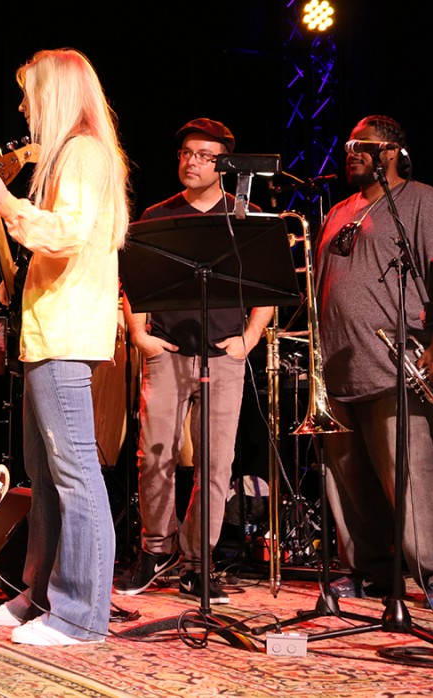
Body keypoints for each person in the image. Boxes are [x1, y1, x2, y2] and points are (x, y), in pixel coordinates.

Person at [0, 48, 129, 645]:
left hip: (63, 332)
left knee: (75, 473)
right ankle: (40, 595)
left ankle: (80, 614)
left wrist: (7, 205)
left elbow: (66, 234)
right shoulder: (75, 154)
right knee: (46, 471)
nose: (21, 105)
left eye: (29, 93)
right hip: (48, 329)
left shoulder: (83, 152)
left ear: (55, 94)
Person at [114, 118, 273, 604]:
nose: (192, 162)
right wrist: (140, 333)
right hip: (168, 350)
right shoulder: (159, 214)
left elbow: (267, 284)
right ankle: (155, 550)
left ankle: (198, 561)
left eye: (204, 155)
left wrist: (248, 338)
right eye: (186, 152)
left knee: (216, 463)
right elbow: (134, 278)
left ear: (224, 162)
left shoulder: (244, 214)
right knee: (154, 454)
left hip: (224, 355)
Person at [315, 114, 433, 608]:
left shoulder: (421, 201)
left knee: (408, 479)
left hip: (394, 366)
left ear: (393, 151)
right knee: (350, 485)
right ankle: (371, 572)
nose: (352, 151)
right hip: (338, 370)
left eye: (363, 144)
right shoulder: (338, 209)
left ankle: (428, 573)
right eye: (348, 144)